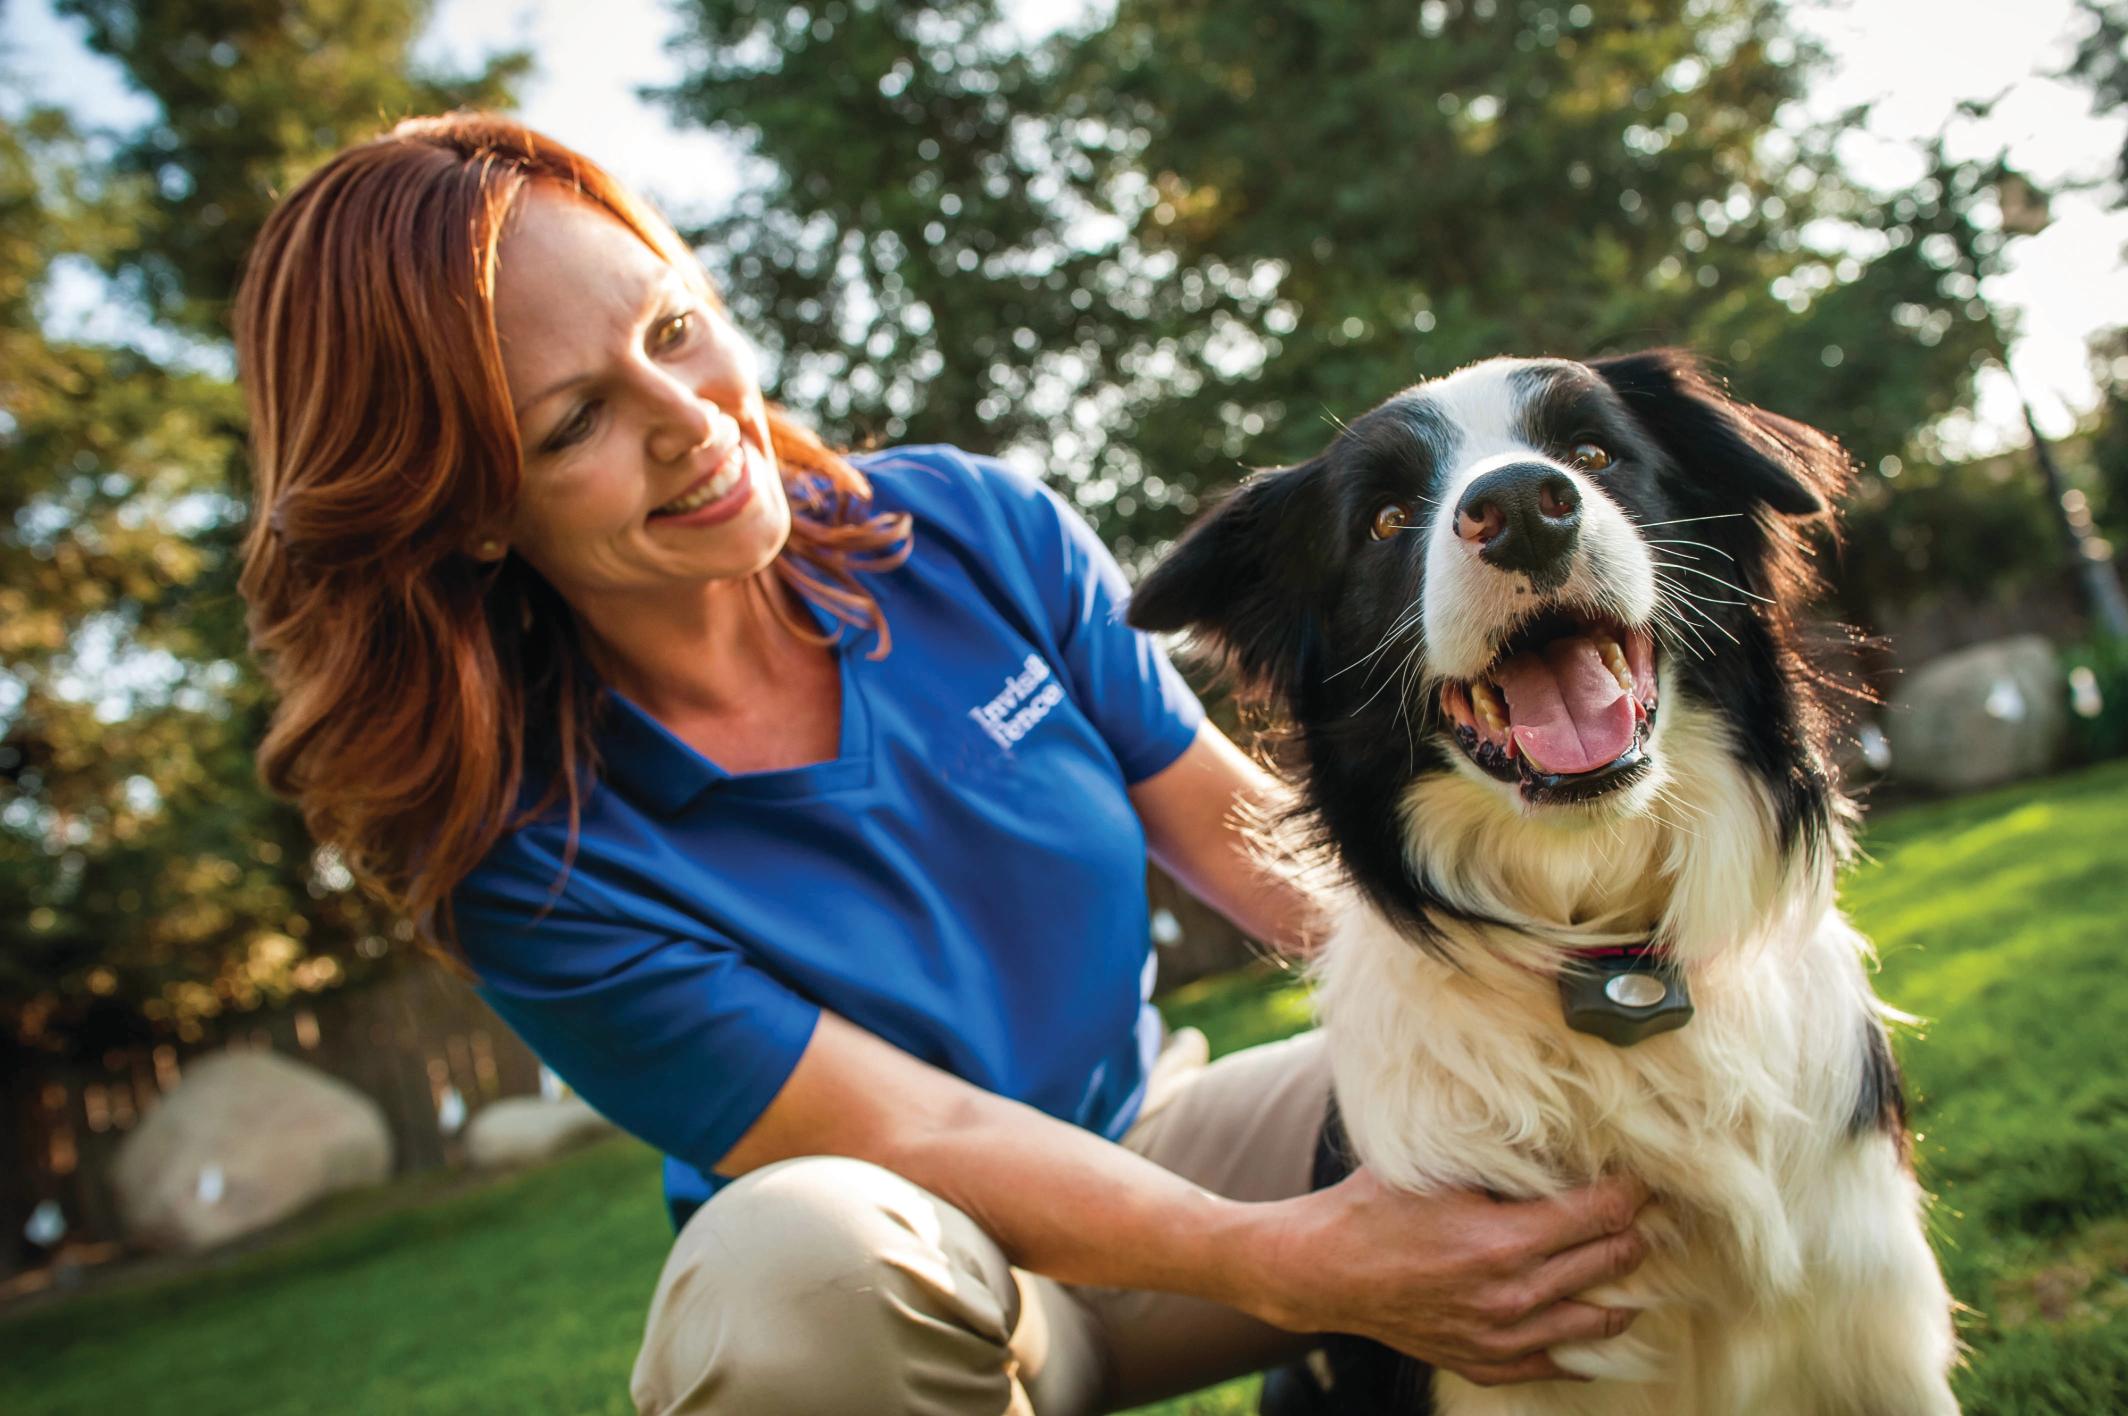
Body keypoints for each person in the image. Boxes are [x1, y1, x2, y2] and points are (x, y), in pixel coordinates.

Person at [232, 113, 1649, 1415]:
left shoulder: (969, 530)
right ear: (466, 509)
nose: (689, 416)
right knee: (790, 1280)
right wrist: (1304, 1265)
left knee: (1612, 1075)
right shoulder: (515, 853)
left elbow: (1268, 855)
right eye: (574, 422)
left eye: (672, 327)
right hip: (918, 1268)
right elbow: (918, 1129)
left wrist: (1612, 980)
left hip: (1170, 1139)